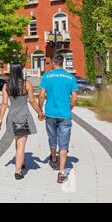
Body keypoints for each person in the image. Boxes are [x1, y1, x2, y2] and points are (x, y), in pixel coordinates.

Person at [0, 62, 44, 180]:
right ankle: (18, 171)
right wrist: (40, 113)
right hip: (23, 116)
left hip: (12, 116)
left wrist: (0, 119)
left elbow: (4, 104)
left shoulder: (6, 86)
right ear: (20, 71)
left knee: (17, 140)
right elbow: (33, 101)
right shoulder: (26, 84)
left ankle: (21, 161)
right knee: (21, 144)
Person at [39, 54, 78, 184]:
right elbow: (74, 98)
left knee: (52, 137)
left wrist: (40, 110)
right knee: (64, 142)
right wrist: (70, 108)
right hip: (65, 114)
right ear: (62, 63)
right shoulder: (70, 77)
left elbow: (41, 96)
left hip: (50, 113)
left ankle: (54, 160)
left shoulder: (46, 76)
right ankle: (61, 173)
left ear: (52, 63)